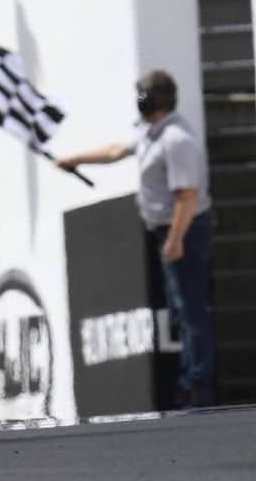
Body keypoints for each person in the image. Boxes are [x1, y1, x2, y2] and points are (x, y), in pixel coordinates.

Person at [55, 70, 215, 407]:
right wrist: (76, 160)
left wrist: (175, 239)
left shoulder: (176, 140)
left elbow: (187, 196)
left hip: (183, 230)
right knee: (182, 310)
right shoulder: (151, 135)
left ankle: (197, 386)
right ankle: (193, 381)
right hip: (170, 230)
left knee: (191, 311)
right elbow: (115, 150)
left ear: (149, 100)